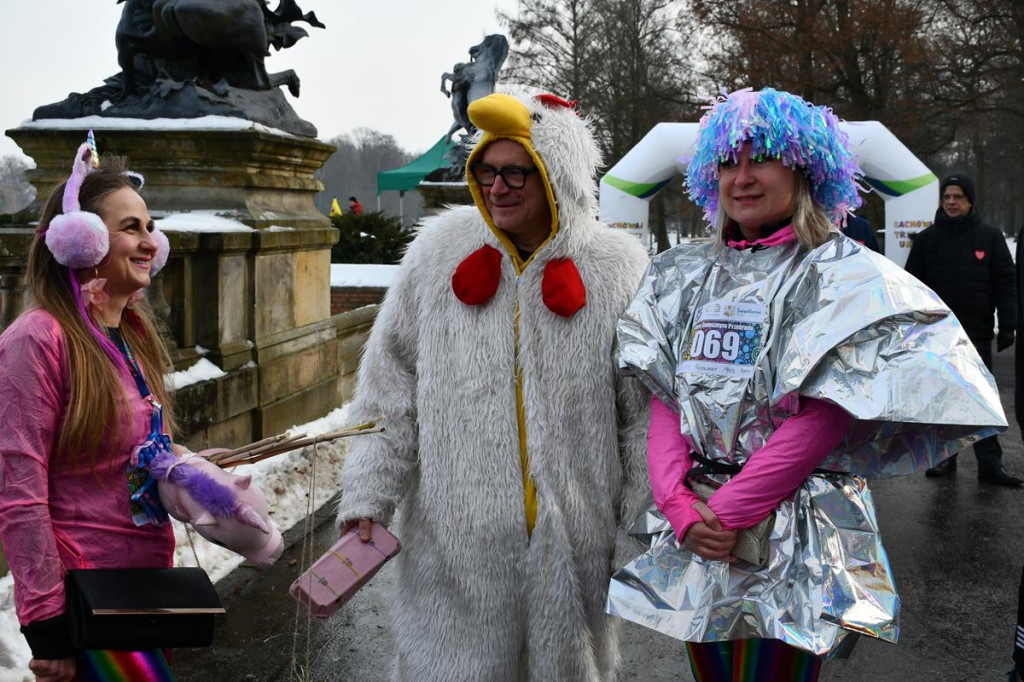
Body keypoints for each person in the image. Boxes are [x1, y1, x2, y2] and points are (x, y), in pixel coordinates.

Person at [611, 88, 1006, 680]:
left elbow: (825, 414)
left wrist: (727, 509)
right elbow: (666, 394)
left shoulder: (842, 274)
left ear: (805, 169)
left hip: (792, 529)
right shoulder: (680, 274)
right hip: (697, 524)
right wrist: (678, 506)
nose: (740, 177)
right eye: (727, 162)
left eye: (760, 157)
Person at [335, 91, 650, 681]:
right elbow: (388, 392)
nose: (496, 186)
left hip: (576, 552)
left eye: (515, 172)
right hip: (454, 549)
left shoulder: (618, 268)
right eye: (485, 170)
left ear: (557, 176)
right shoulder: (436, 255)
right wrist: (368, 497)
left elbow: (646, 417)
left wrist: (638, 533)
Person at [0, 139, 178, 681]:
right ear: (82, 240)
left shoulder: (128, 334)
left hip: (140, 590)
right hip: (86, 599)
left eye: (150, 227)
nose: (150, 241)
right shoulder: (38, 339)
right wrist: (48, 626)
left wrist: (188, 470)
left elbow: (120, 455)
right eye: (132, 227)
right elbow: (19, 492)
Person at [905, 172, 1020, 485]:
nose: (951, 202)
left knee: (983, 398)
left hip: (978, 332)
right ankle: (944, 458)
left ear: (970, 201)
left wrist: (1009, 323)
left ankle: (990, 464)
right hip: (939, 335)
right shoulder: (927, 240)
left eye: (958, 197)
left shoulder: (990, 236)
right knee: (944, 398)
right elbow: (911, 287)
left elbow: (1005, 282)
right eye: (947, 197)